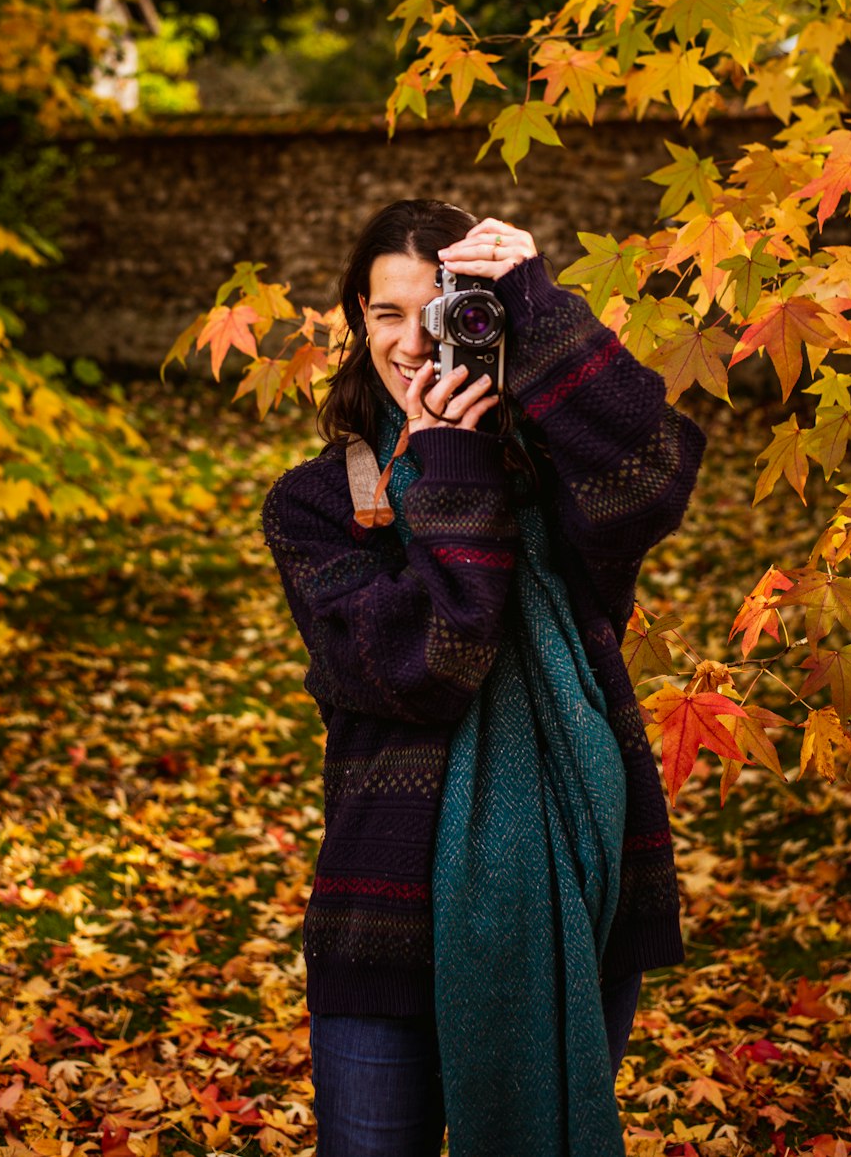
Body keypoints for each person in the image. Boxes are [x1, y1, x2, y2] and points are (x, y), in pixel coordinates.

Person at [262, 199, 706, 1157]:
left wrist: (542, 303)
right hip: (381, 899)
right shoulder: (315, 501)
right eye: (386, 313)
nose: (413, 341)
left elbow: (655, 472)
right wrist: (452, 467)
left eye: (440, 309)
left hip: (568, 883)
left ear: (480, 317)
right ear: (356, 323)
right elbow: (428, 668)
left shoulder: (561, 474)